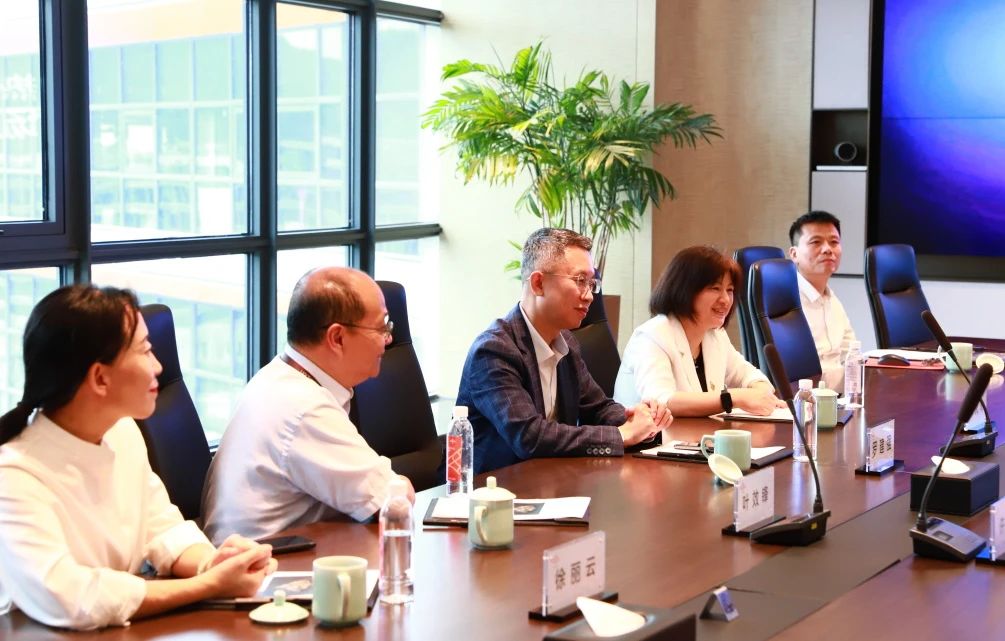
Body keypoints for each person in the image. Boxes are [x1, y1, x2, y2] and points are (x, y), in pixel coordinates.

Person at [0, 285, 276, 630]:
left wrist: (214, 563)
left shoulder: (121, 430)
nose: (158, 366)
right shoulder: (14, 475)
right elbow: (72, 598)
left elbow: (162, 527)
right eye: (145, 350)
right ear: (100, 378)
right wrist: (209, 585)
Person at [202, 267, 414, 544]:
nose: (388, 338)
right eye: (381, 327)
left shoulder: (278, 377)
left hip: (276, 553)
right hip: (269, 564)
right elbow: (393, 501)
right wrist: (398, 485)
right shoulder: (303, 407)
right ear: (337, 338)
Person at [457, 228, 672, 475]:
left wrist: (640, 419)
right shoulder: (494, 350)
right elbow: (529, 436)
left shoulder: (566, 342)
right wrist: (621, 435)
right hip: (491, 488)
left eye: (591, 283)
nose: (589, 296)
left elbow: (598, 408)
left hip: (550, 480)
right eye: (580, 281)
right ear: (538, 284)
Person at [614, 246, 785, 417]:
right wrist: (732, 398)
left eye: (730, 290)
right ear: (685, 291)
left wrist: (761, 392)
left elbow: (748, 375)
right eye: (715, 288)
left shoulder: (714, 334)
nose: (726, 300)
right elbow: (661, 402)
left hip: (695, 431)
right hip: (649, 433)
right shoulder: (652, 336)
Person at [788, 210, 857, 390]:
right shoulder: (786, 303)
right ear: (794, 254)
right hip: (807, 399)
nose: (828, 249)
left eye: (834, 242)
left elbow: (851, 355)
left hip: (840, 397)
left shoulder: (833, 300)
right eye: (816, 242)